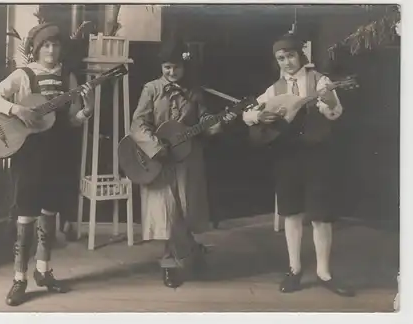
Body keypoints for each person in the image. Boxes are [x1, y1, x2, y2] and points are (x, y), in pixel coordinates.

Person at [0, 22, 94, 306]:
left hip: (56, 152)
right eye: (45, 45)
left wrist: (84, 113)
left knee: (49, 210)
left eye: (55, 45)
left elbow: (69, 119)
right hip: (28, 153)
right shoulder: (23, 75)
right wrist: (16, 108)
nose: (51, 50)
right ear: (36, 49)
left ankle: (44, 271)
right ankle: (20, 278)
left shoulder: (67, 77)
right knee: (26, 212)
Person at [242, 33, 355, 297]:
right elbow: (248, 114)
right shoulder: (275, 89)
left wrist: (326, 99)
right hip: (287, 156)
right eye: (281, 58)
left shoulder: (320, 81)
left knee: (320, 215)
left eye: (290, 56)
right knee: (291, 213)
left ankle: (324, 272)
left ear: (300, 55)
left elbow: (335, 111)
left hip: (317, 154)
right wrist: (259, 114)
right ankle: (294, 269)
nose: (286, 62)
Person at [130, 38, 237, 288]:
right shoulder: (151, 89)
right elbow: (138, 123)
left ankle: (191, 252)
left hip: (188, 159)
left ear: (184, 67)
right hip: (159, 158)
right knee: (166, 213)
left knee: (184, 212)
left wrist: (219, 123)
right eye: (167, 67)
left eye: (176, 67)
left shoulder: (194, 92)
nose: (171, 72)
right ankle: (171, 263)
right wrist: (155, 147)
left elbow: (205, 120)